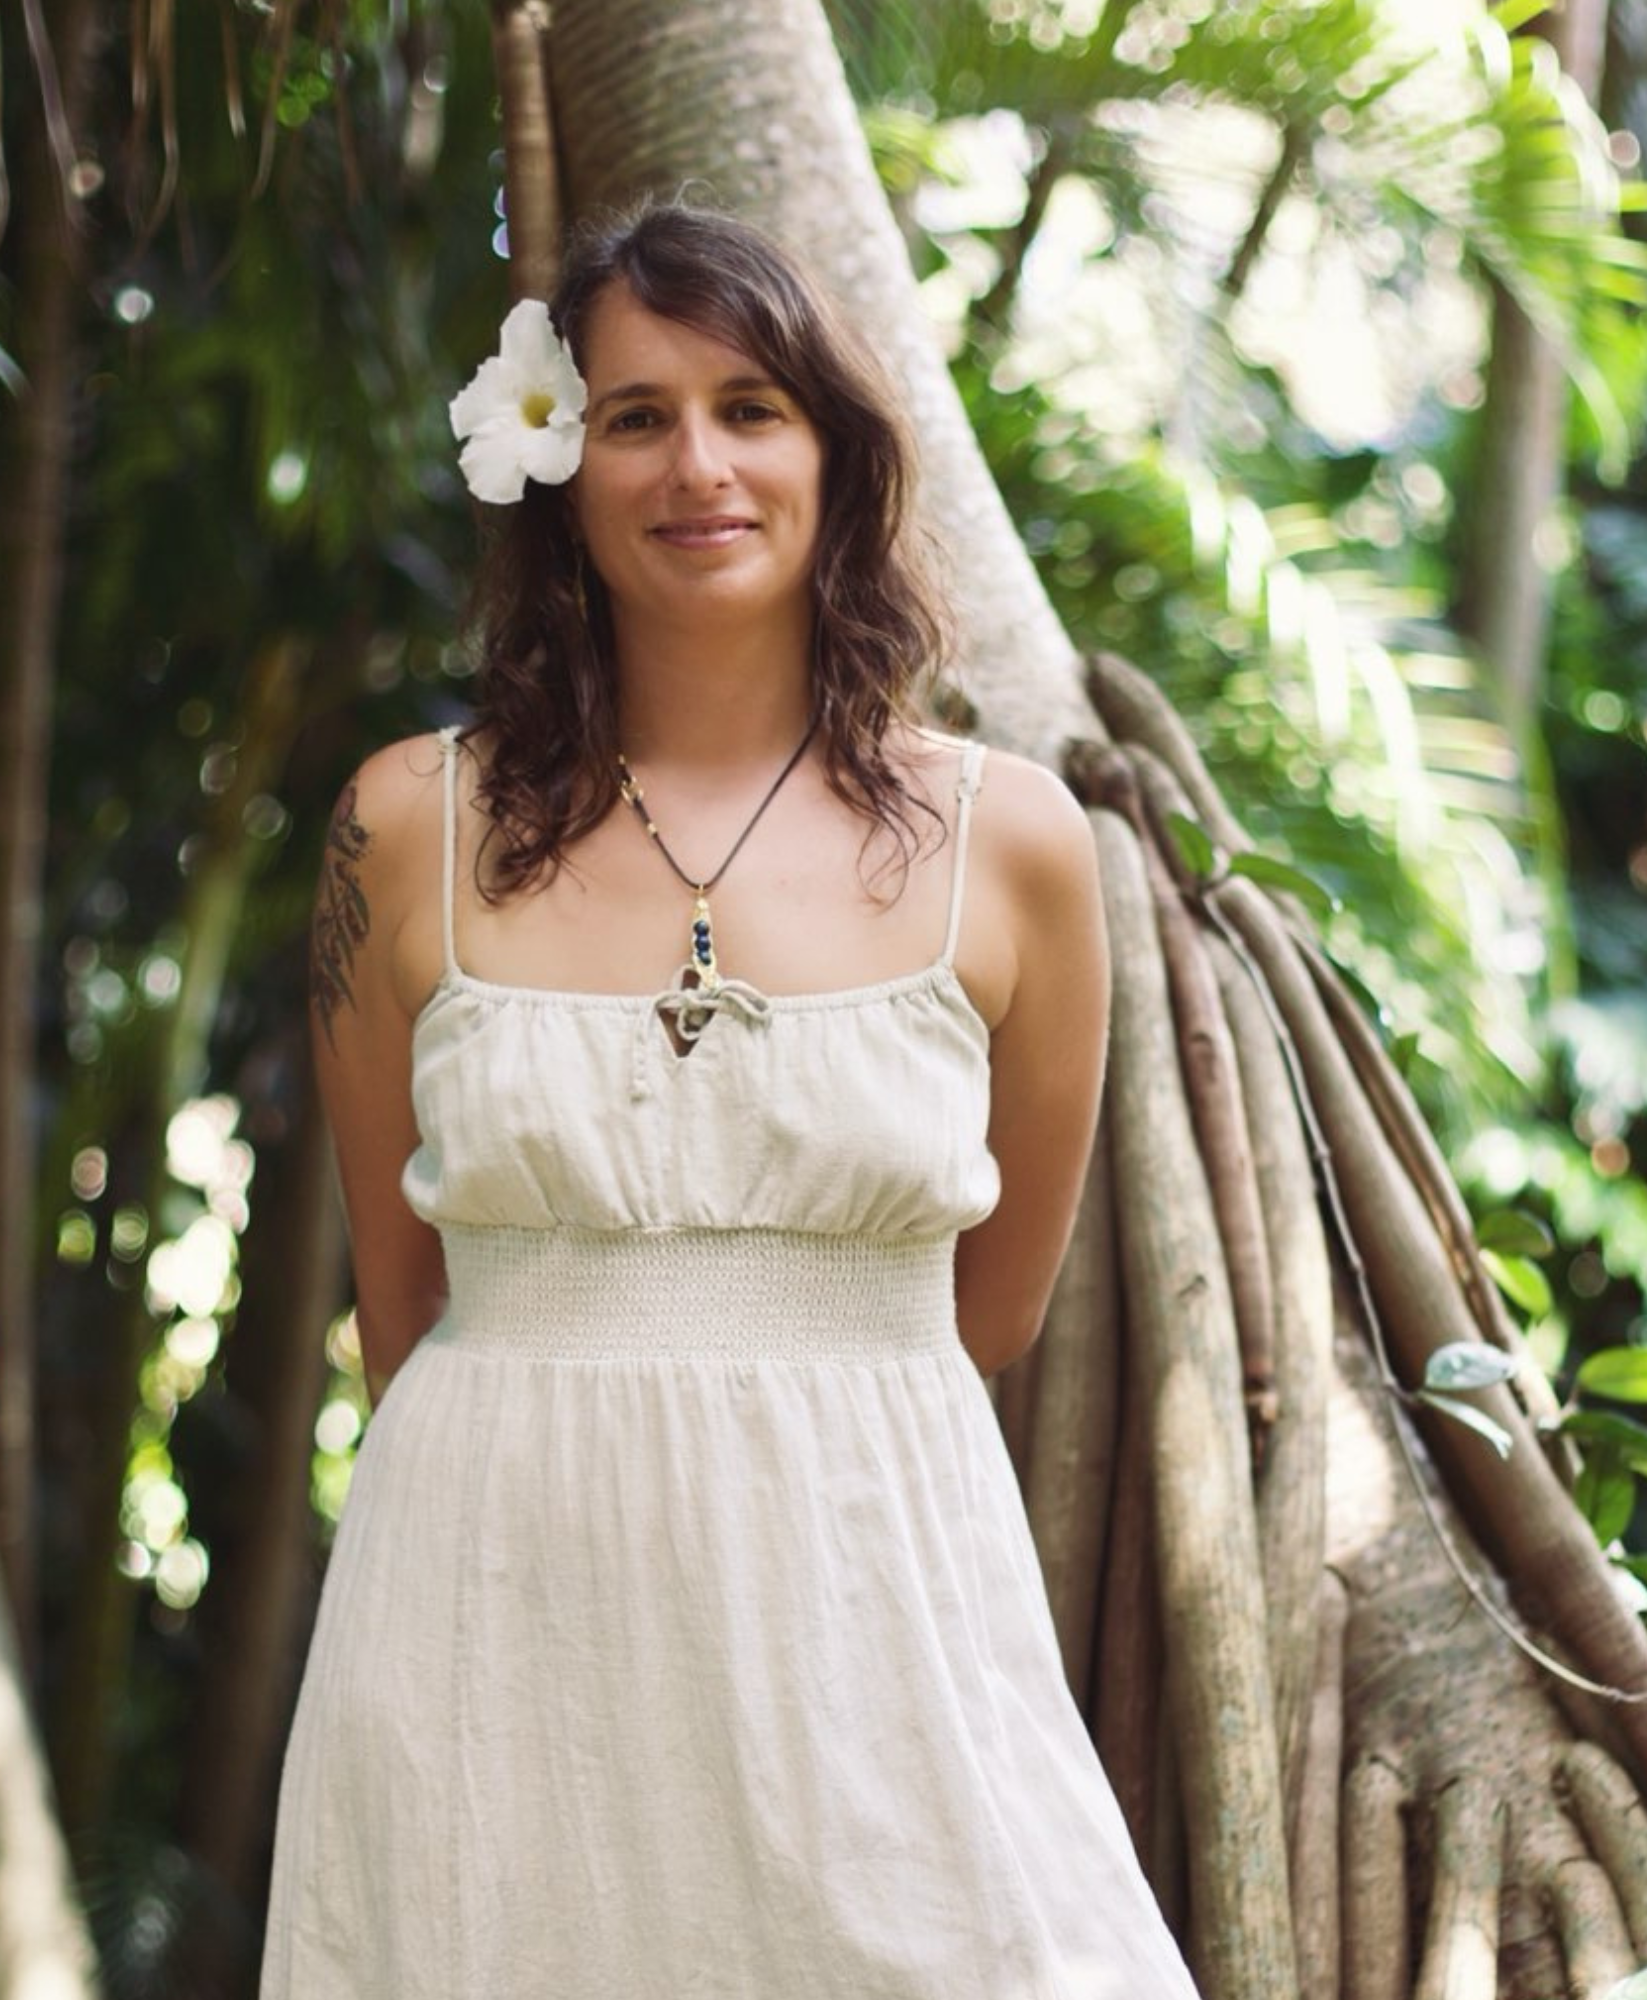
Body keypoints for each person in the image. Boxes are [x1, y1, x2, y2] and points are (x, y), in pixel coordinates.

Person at [261, 200, 1203, 1997]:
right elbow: (403, 1305)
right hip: (490, 1620)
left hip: (876, 1612)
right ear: (558, 462)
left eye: (752, 405)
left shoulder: (1013, 849)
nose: (698, 462)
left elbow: (983, 1312)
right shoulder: (403, 829)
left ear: (838, 454)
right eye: (634, 414)